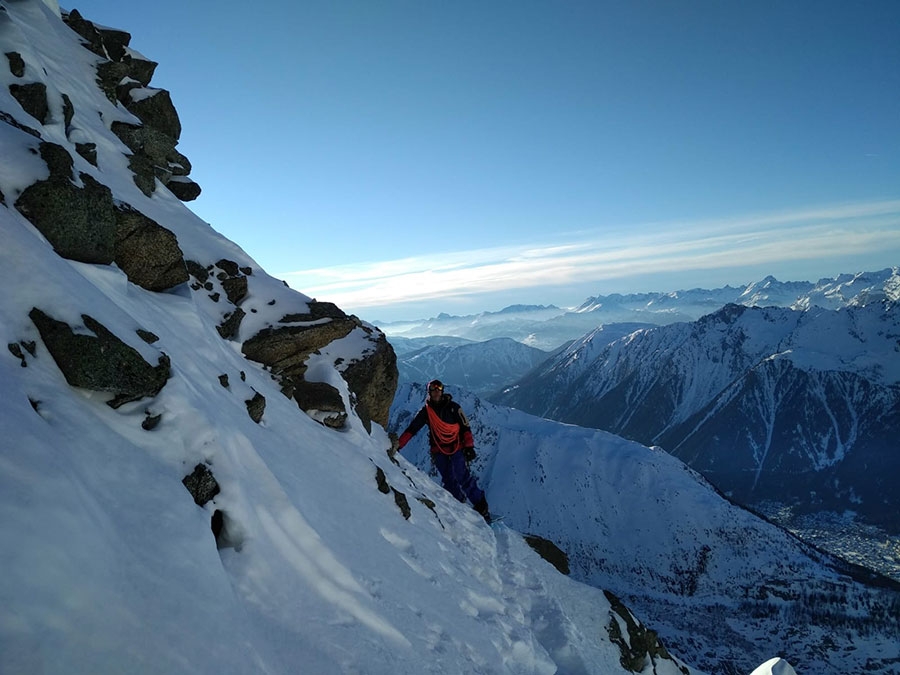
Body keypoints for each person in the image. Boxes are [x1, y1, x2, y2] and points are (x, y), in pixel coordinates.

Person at [396, 380, 492, 523]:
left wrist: (469, 446)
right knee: (448, 480)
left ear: (442, 391)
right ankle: (460, 507)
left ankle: (481, 507)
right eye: (433, 390)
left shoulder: (453, 408)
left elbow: (465, 427)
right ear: (429, 392)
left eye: (438, 389)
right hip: (438, 450)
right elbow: (412, 429)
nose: (436, 392)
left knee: (462, 476)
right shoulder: (426, 412)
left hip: (457, 447)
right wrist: (398, 445)